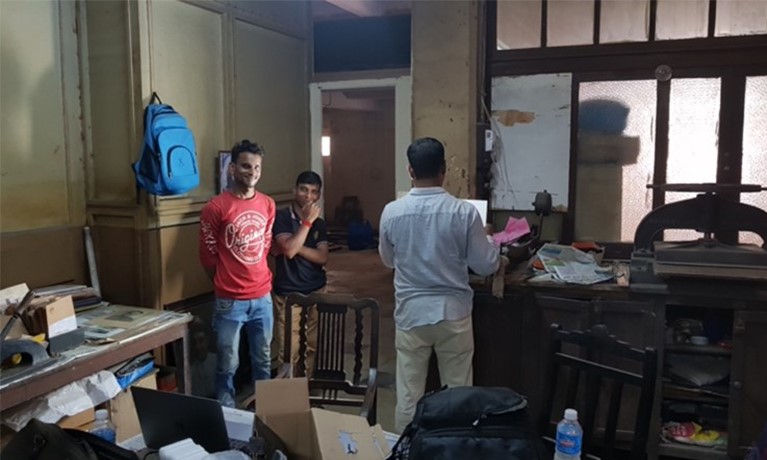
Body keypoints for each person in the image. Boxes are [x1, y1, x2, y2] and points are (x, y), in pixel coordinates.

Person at [378, 137, 500, 433]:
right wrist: (488, 241)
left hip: (411, 315)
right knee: (457, 393)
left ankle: (405, 448)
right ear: (444, 169)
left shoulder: (392, 212)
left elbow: (388, 260)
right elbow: (485, 264)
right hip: (453, 314)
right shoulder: (463, 212)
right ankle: (454, 449)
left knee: (408, 395)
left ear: (410, 171)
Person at [199, 139, 275, 407]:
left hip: (263, 297)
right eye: (245, 166)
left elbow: (265, 245)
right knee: (227, 362)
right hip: (229, 300)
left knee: (263, 359)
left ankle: (265, 410)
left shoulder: (267, 204)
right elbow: (208, 257)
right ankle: (227, 415)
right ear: (231, 168)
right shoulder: (216, 207)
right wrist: (224, 284)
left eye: (257, 167)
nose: (252, 172)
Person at [270, 171, 328, 377]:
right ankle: (287, 398)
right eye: (303, 189)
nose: (308, 196)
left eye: (314, 192)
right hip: (288, 292)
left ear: (318, 195)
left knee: (310, 345)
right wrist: (305, 225)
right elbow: (289, 250)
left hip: (315, 288)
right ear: (294, 190)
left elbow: (321, 257)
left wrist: (293, 247)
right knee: (289, 348)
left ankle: (305, 391)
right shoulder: (282, 217)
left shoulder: (319, 223)